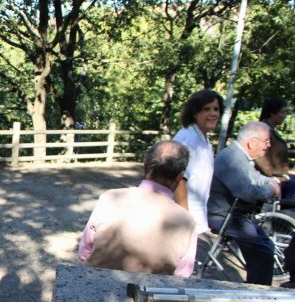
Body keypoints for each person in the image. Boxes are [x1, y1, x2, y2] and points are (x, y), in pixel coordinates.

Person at [78, 140, 197, 277]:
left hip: (98, 282)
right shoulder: (188, 222)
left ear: (145, 165)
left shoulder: (110, 198)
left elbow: (84, 252)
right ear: (180, 176)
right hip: (150, 289)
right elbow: (182, 275)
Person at [207, 121, 281, 286]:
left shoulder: (240, 156)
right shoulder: (231, 159)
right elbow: (246, 192)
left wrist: (272, 182)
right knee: (263, 254)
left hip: (237, 215)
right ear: (252, 142)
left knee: (267, 247)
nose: (269, 145)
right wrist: (271, 188)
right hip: (224, 216)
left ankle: (256, 286)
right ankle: (257, 291)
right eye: (266, 141)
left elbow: (255, 178)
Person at [173, 89, 223, 234]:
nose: (213, 114)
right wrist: (184, 218)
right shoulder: (188, 139)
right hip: (182, 219)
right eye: (206, 109)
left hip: (196, 215)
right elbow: (179, 180)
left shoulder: (203, 139)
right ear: (195, 113)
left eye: (216, 109)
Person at [255, 98, 294, 199]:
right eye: (282, 112)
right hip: (271, 181)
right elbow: (258, 157)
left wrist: (288, 164)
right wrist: (272, 174)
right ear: (272, 113)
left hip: (281, 178)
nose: (284, 116)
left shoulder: (271, 131)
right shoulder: (262, 131)